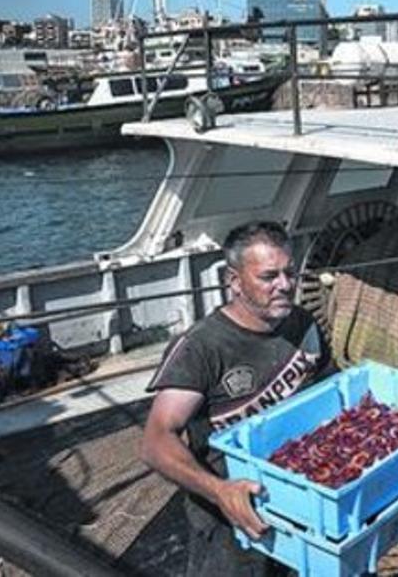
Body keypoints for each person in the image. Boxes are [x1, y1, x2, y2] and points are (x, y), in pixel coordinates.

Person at [141, 221, 330, 576]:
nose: (285, 285)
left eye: (290, 272)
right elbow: (156, 441)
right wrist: (220, 491)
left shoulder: (304, 324)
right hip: (231, 516)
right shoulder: (201, 348)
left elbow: (330, 392)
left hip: (303, 498)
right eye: (268, 276)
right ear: (234, 281)